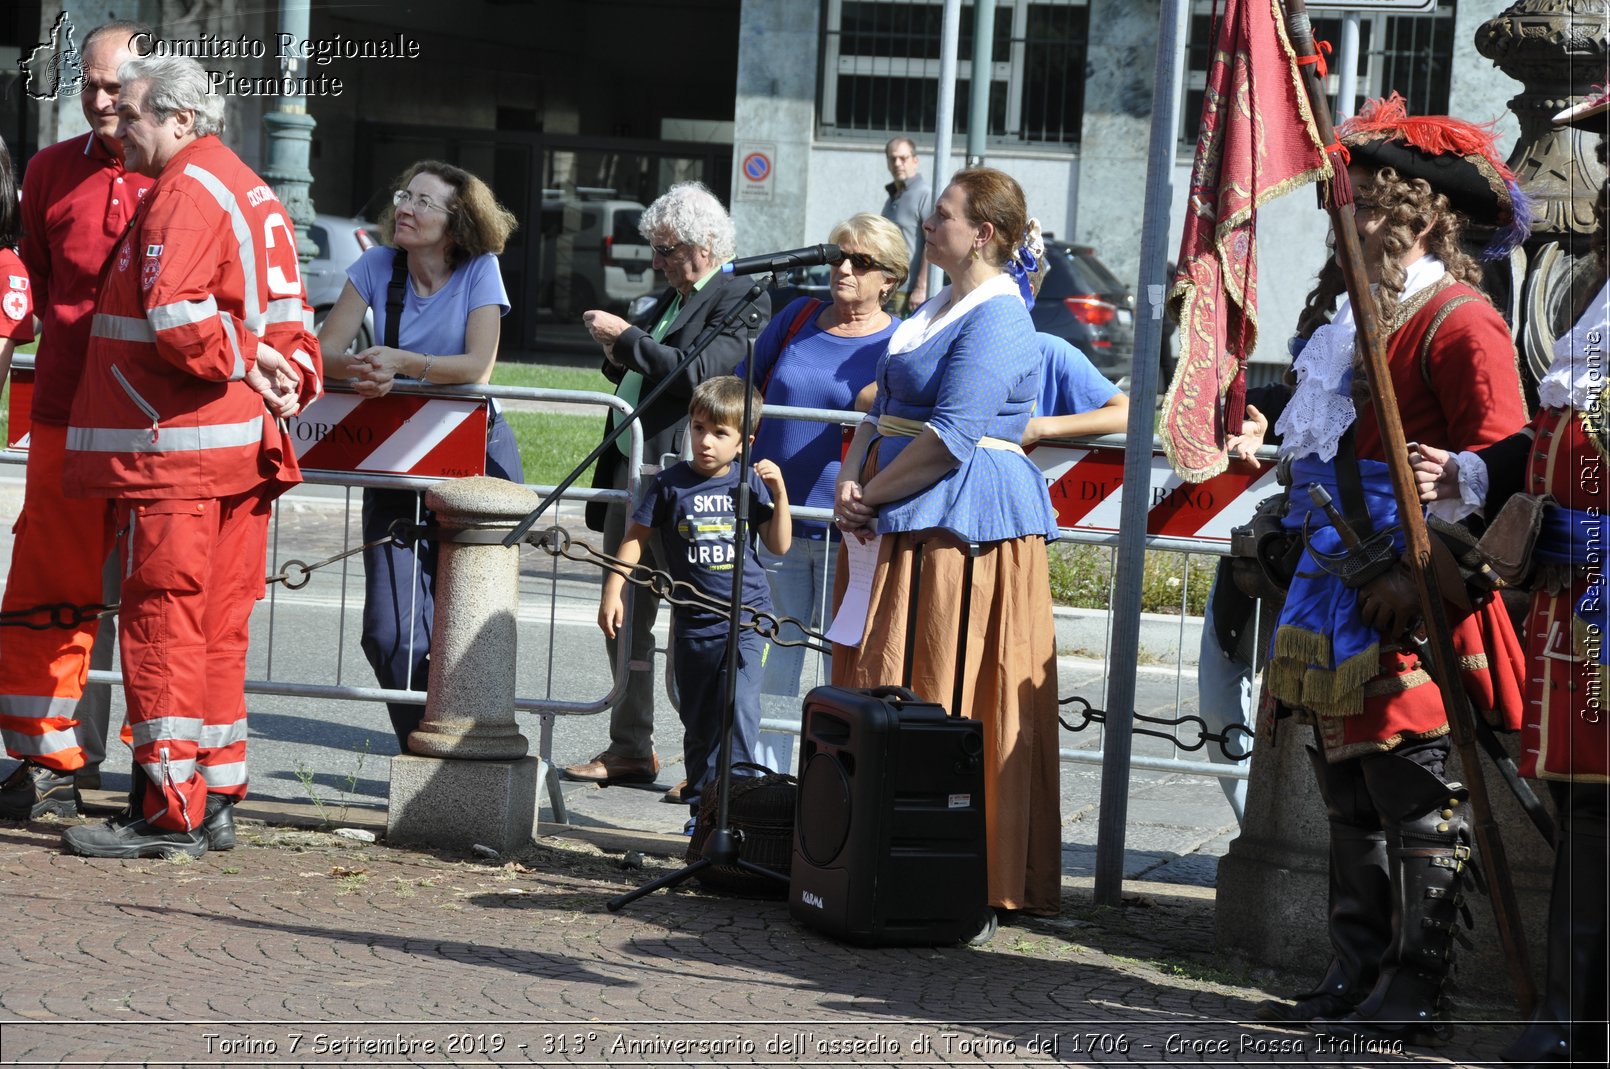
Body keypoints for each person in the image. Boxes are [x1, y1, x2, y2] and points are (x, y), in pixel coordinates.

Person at [1243, 97, 1532, 1043]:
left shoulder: (1460, 320)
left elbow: (1511, 462)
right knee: (1347, 789)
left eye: (1368, 204)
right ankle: (1355, 966)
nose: (1350, 218)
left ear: (1421, 214)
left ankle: (1418, 982)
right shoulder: (1348, 324)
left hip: (1414, 594)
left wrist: (1435, 544)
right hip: (1333, 585)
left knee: (1415, 788)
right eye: (1347, 202)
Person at [57, 52, 322, 858]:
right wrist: (281, 374)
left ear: (180, 119)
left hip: (176, 455)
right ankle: (215, 793)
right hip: (236, 451)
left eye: (131, 113)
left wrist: (243, 357)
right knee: (217, 626)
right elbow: (290, 321)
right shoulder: (245, 185)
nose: (114, 125)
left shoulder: (183, 194)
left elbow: (177, 325)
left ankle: (168, 805)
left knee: (165, 620)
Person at [1410, 89, 1609, 1066]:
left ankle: (1573, 1020)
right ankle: (1571, 1019)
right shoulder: (1593, 296)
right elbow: (1557, 425)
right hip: (1581, 597)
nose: (1606, 187)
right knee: (1587, 805)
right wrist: (1479, 473)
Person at [833, 166, 1062, 919]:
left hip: (962, 530)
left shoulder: (999, 317)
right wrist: (852, 479)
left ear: (983, 234)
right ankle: (874, 851)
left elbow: (953, 437)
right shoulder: (938, 304)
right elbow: (880, 406)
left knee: (947, 681)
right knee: (892, 673)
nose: (928, 226)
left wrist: (874, 491)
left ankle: (956, 866)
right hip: (901, 512)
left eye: (943, 217)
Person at [563, 182, 771, 790]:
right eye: (654, 249)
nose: (656, 261)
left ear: (704, 246)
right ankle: (630, 746)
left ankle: (710, 769)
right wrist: (617, 346)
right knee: (623, 619)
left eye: (665, 249)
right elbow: (644, 364)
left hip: (686, 488)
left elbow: (703, 372)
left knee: (696, 632)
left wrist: (627, 339)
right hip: (634, 477)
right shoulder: (670, 298)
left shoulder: (740, 295)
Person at [0, 20, 154, 819]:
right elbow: (34, 279)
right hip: (64, 414)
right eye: (89, 83)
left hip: (158, 428)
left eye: (114, 86)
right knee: (46, 592)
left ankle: (163, 769)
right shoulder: (50, 170)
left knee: (159, 599)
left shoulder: (187, 175)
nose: (98, 99)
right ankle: (45, 760)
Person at [317, 160, 522, 750]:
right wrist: (362, 368)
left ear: (457, 222)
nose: (406, 207)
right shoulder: (376, 265)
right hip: (397, 455)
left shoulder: (481, 270)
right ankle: (425, 744)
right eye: (406, 195)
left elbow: (477, 367)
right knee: (391, 633)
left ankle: (456, 754)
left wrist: (404, 365)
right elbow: (326, 351)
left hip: (474, 456)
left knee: (468, 624)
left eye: (425, 202)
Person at [735, 212, 906, 738]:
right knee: (771, 665)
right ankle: (759, 789)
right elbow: (743, 393)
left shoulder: (900, 343)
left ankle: (833, 794)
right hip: (776, 522)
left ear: (890, 280)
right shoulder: (797, 317)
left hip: (848, 530)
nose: (844, 268)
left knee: (844, 670)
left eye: (861, 261)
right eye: (838, 256)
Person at [598, 376, 791, 833]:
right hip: (694, 625)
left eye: (720, 433)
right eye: (699, 427)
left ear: (744, 441)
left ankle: (736, 815)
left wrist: (780, 495)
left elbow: (778, 545)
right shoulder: (670, 484)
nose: (705, 441)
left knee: (739, 712)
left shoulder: (747, 484)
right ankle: (703, 816)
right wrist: (613, 590)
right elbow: (634, 539)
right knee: (701, 724)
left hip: (748, 622)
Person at [880, 137, 935, 314]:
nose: (897, 163)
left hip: (909, 293)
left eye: (903, 158)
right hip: (887, 286)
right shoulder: (892, 198)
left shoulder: (925, 195)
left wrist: (921, 287)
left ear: (915, 160)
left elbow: (932, 242)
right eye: (892, 158)